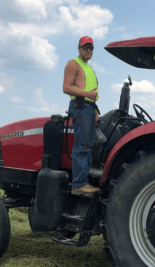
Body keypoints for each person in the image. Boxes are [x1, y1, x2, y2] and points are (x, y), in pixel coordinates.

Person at [63, 36, 101, 196]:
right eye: (85, 47)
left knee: (89, 146)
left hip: (89, 108)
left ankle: (85, 181)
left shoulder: (88, 67)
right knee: (82, 146)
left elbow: (92, 94)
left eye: (91, 48)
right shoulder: (73, 64)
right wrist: (86, 95)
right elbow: (66, 87)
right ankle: (79, 184)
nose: (88, 50)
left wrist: (95, 111)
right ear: (79, 48)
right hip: (80, 106)